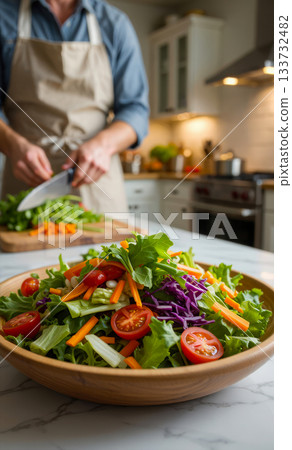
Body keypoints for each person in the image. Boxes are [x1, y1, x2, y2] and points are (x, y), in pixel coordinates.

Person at [0, 0, 149, 212]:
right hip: (25, 184)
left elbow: (136, 111)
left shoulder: (115, 24)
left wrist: (103, 146)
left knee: (109, 245)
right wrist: (13, 145)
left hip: (98, 186)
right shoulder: (4, 16)